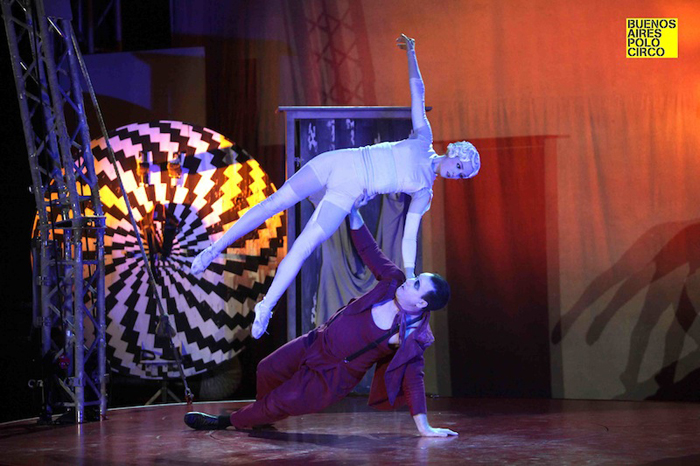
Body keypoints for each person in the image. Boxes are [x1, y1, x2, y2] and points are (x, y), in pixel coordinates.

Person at [191, 33, 480, 338]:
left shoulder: (423, 192)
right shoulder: (423, 139)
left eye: (461, 176)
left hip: (348, 192)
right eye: (460, 168)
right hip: (338, 162)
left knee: (304, 245)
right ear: (455, 153)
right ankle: (214, 249)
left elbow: (410, 235)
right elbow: (417, 93)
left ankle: (266, 305)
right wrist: (411, 52)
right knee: (273, 203)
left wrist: (409, 274)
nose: (456, 174)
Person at [184, 206, 457, 437]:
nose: (410, 280)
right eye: (416, 277)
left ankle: (226, 422)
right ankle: (259, 416)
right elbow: (369, 250)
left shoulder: (411, 335)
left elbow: (414, 380)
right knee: (267, 369)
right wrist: (352, 210)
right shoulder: (393, 281)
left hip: (331, 375)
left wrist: (425, 428)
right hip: (316, 341)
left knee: (278, 400)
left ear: (422, 303)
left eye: (417, 284)